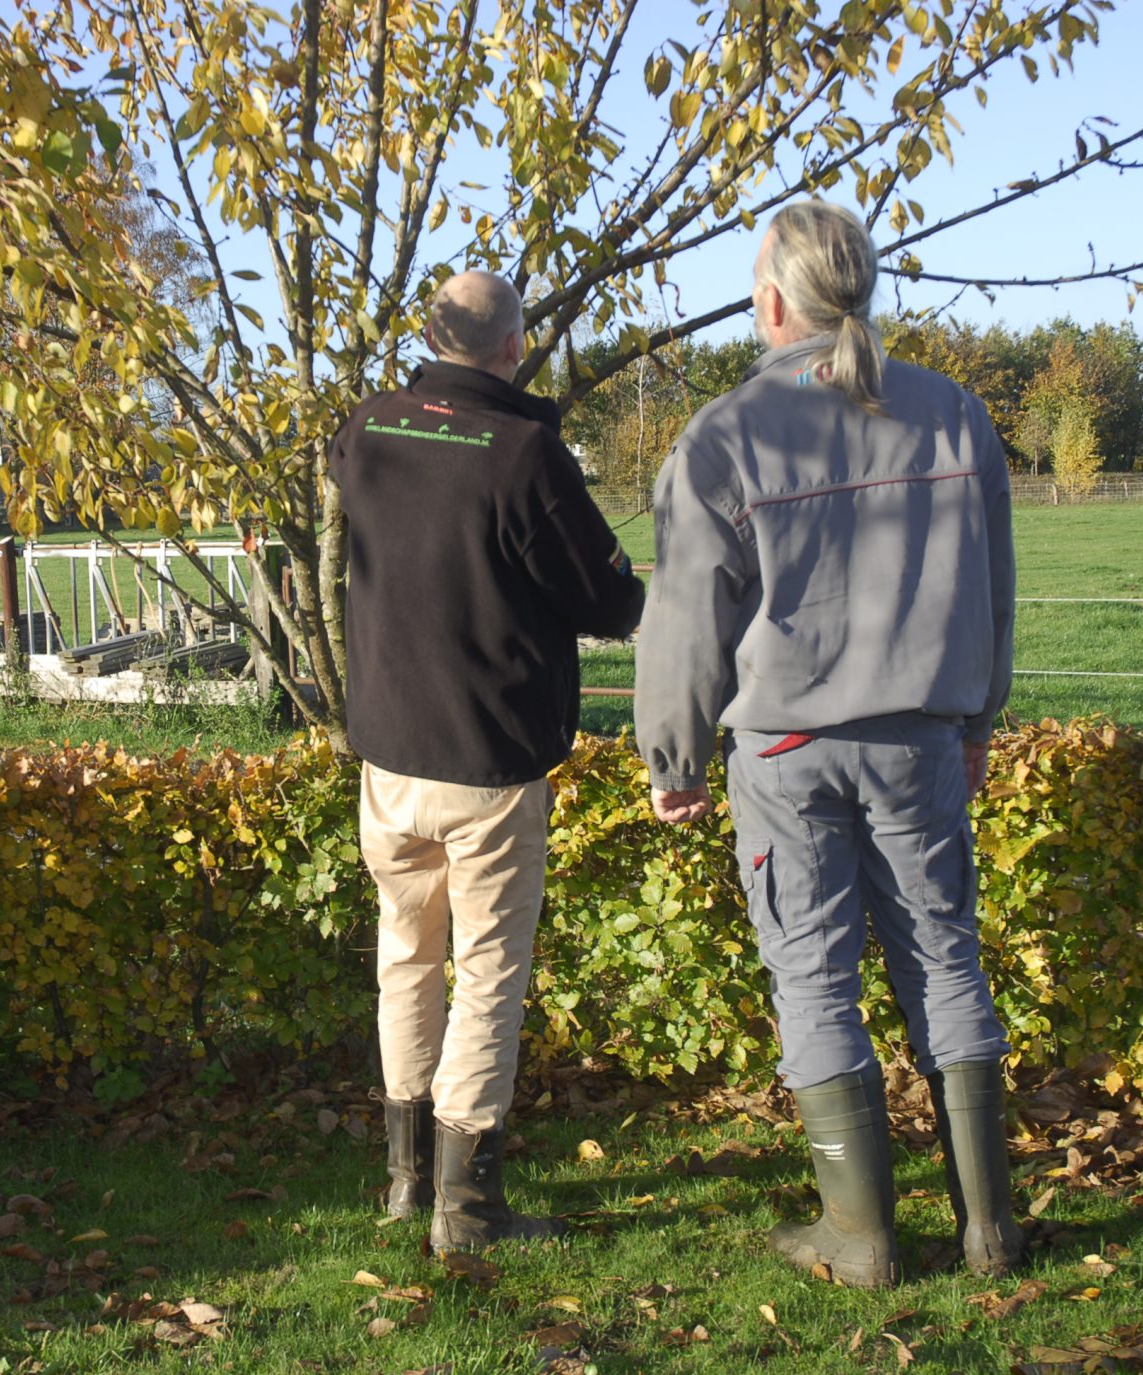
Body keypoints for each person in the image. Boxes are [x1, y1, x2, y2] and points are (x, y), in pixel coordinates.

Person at [633, 201, 1021, 1287]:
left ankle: (860, 1238)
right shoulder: (952, 413)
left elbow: (683, 619)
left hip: (785, 746)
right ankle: (988, 1229)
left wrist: (673, 758)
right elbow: (993, 590)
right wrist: (977, 717)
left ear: (770, 302)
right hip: (920, 740)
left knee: (811, 976)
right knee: (945, 957)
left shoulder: (724, 434)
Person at [330, 269, 646, 1251]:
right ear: (513, 348)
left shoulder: (366, 429)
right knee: (487, 974)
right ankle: (465, 1209)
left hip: (387, 755)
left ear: (427, 340)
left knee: (404, 958)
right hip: (488, 759)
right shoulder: (521, 455)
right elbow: (608, 602)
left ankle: (402, 1177)